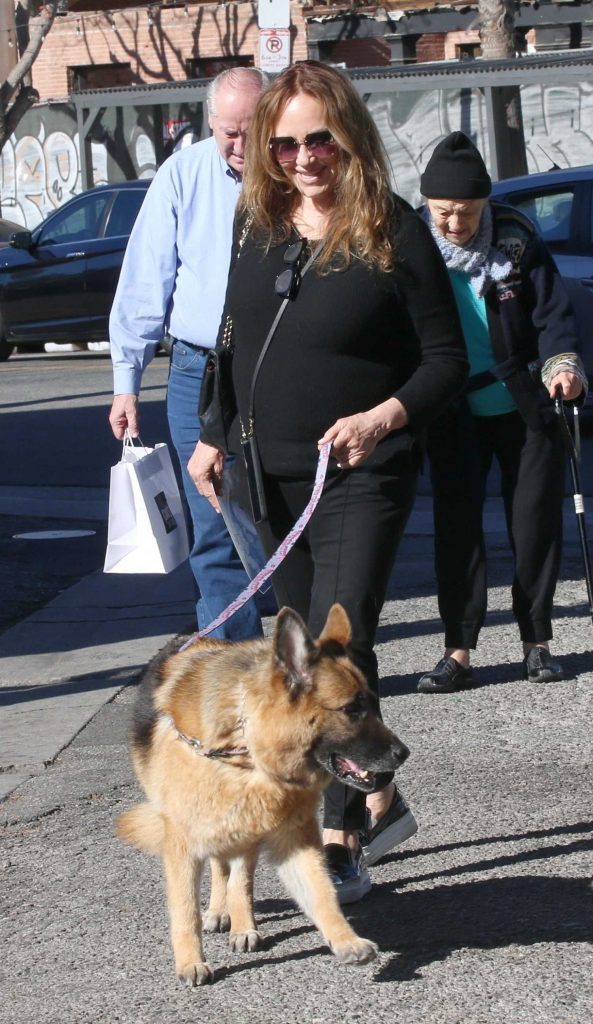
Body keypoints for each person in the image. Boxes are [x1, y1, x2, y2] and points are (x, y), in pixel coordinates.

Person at [189, 61, 469, 903]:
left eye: (319, 139)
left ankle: (341, 830)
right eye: (284, 144)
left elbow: (445, 362)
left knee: (338, 650)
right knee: (299, 658)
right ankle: (380, 793)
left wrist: (380, 417)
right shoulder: (259, 225)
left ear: (348, 136)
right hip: (264, 478)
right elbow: (232, 343)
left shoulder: (393, 230)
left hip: (357, 474)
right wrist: (211, 436)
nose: (304, 157)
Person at [416, 131, 587, 694]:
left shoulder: (515, 236)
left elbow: (553, 315)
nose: (454, 224)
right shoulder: (414, 243)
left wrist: (563, 365)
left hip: (522, 400)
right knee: (457, 527)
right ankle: (458, 649)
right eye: (443, 211)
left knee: (534, 520)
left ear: (484, 202)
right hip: (452, 406)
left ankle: (537, 644)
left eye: (465, 212)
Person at [108, 67, 267, 639]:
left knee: (290, 512)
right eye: (229, 132)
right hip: (198, 370)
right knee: (214, 520)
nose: (240, 145)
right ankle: (238, 664)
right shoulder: (183, 173)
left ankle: (314, 665)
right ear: (210, 124)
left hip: (277, 366)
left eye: (252, 130)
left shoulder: (301, 170)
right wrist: (126, 379)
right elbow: (145, 282)